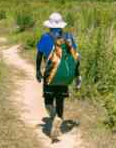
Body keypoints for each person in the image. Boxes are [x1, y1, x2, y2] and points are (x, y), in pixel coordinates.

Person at [36, 12, 82, 141]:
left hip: (50, 75)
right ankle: (60, 119)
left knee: (48, 101)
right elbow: (75, 58)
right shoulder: (69, 37)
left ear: (49, 25)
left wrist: (38, 71)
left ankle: (53, 115)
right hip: (65, 76)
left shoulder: (45, 37)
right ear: (61, 25)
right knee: (60, 100)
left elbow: (39, 56)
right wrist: (77, 75)